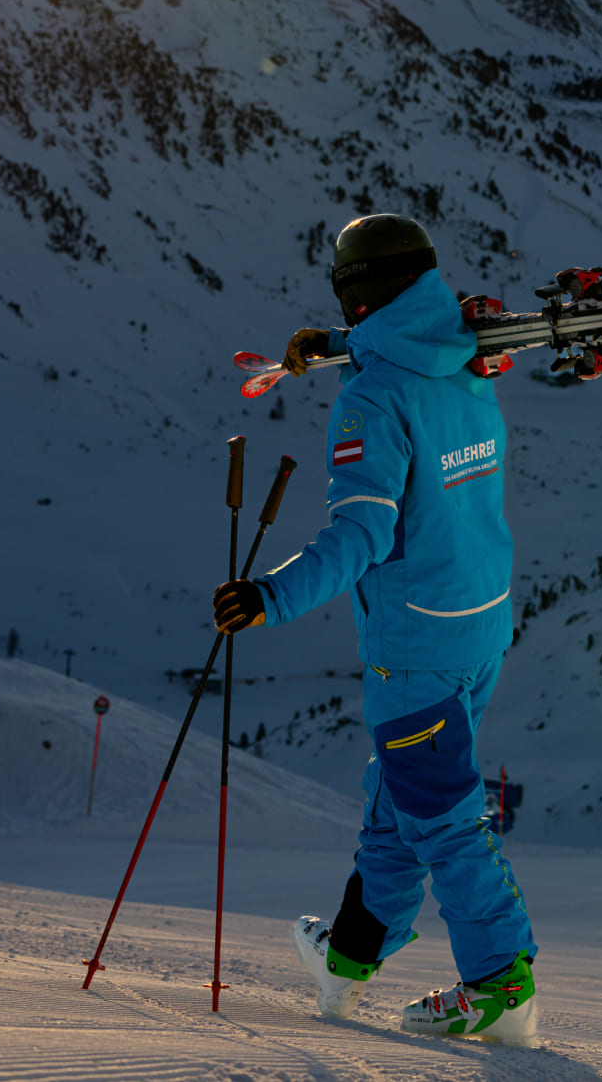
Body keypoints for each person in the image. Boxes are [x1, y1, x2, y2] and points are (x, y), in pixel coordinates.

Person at [213, 213, 537, 1046]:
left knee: (439, 816)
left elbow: (358, 537)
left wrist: (267, 597)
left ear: (357, 289)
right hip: (481, 623)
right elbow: (402, 346)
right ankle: (351, 954)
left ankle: (500, 982)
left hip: (416, 645)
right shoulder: (466, 359)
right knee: (399, 800)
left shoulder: (373, 397)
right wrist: (334, 339)